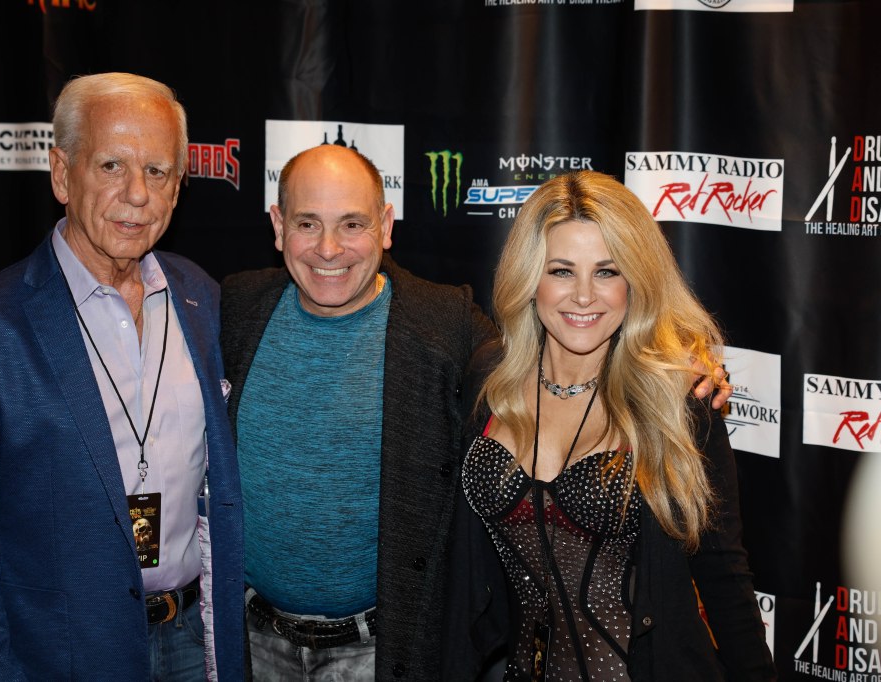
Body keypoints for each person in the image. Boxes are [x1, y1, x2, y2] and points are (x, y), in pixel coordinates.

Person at [221, 148, 731, 680]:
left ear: (386, 226)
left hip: (382, 651)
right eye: (308, 223)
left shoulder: (446, 323)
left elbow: (547, 343)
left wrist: (681, 365)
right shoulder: (235, 307)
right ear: (278, 226)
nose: (329, 248)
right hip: (252, 642)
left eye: (353, 223)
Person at [0, 72, 243, 682]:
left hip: (196, 642)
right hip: (63, 656)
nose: (137, 193)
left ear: (178, 188)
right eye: (112, 165)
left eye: (158, 171)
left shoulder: (201, 297)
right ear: (62, 174)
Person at [458, 171, 775, 680]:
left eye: (606, 271)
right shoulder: (489, 379)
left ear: (635, 281)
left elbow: (723, 575)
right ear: (530, 277)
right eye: (562, 271)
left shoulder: (676, 399)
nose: (584, 296)